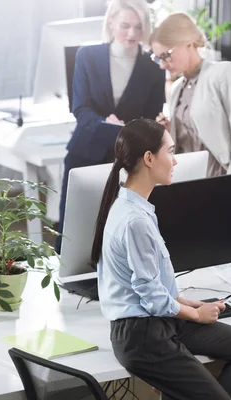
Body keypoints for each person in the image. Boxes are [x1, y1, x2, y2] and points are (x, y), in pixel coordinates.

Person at [91, 118, 231, 400]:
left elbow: (150, 287)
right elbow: (150, 297)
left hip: (160, 321)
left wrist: (186, 302)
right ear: (149, 158)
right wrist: (196, 314)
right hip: (142, 336)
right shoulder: (134, 219)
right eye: (170, 152)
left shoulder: (138, 208)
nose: (175, 161)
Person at [57, 0, 165, 252]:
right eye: (125, 25)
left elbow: (149, 119)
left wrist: (127, 131)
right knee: (73, 226)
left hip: (127, 159)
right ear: (111, 23)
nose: (132, 34)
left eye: (139, 27)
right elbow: (80, 109)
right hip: (85, 152)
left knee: (118, 229)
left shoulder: (153, 67)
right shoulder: (87, 55)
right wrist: (106, 125)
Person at [149, 12, 231, 178]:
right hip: (187, 181)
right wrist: (170, 131)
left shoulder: (223, 73)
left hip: (220, 179)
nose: (162, 65)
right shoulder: (177, 88)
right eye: (158, 58)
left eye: (166, 55)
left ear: (188, 43)